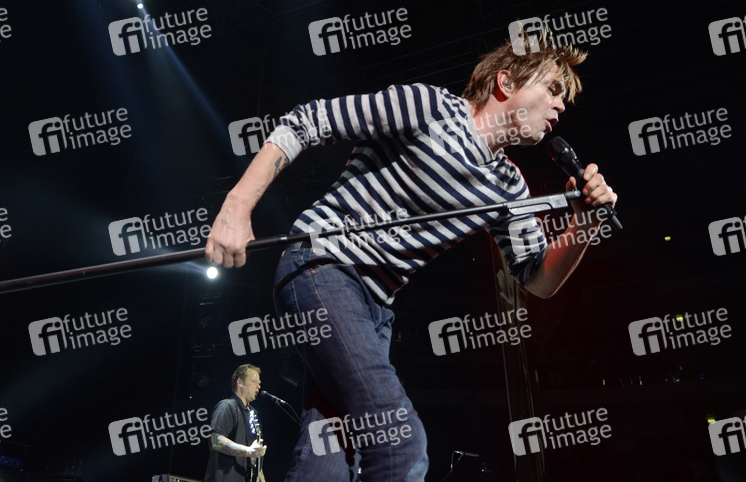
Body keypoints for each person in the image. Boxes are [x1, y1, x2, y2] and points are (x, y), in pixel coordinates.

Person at [205, 34, 617, 482]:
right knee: (401, 444)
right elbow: (309, 120)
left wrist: (583, 223)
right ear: (506, 83)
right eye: (553, 89)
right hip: (322, 268)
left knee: (328, 462)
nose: (560, 105)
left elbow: (538, 278)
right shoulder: (431, 108)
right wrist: (236, 206)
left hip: (373, 312)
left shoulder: (508, 185)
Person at [205, 364, 267, 482]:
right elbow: (216, 441)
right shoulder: (227, 406)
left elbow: (258, 464)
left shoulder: (253, 414)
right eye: (254, 381)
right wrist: (248, 451)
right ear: (240, 382)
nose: (258, 386)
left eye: (259, 383)